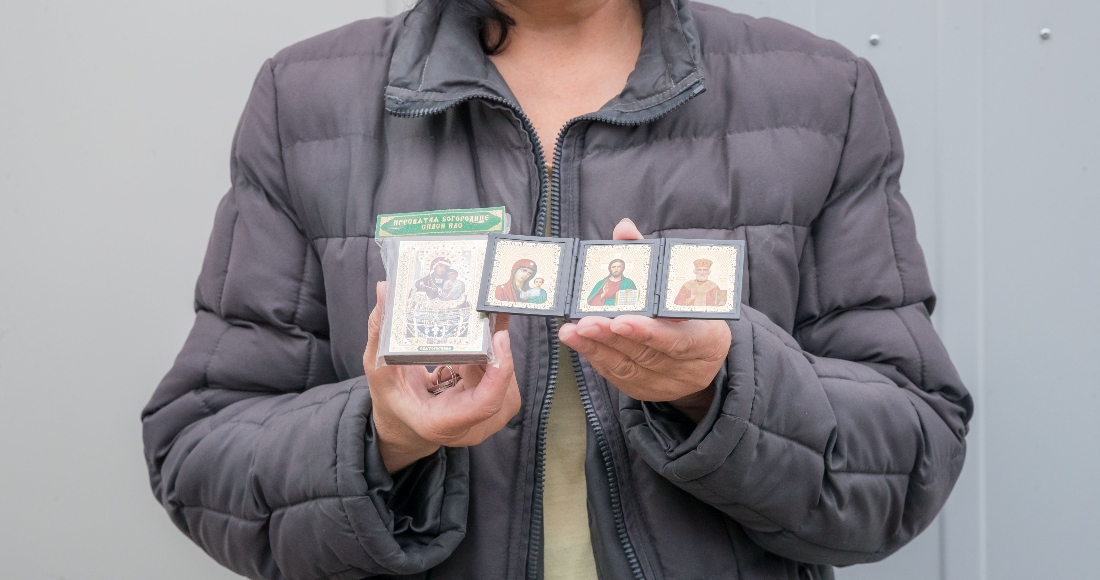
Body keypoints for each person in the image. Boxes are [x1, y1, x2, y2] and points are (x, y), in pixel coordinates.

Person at [142, 0, 973, 578]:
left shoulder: (821, 94)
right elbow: (203, 454)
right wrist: (383, 436)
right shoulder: (306, 99)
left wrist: (721, 388)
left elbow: (908, 455)